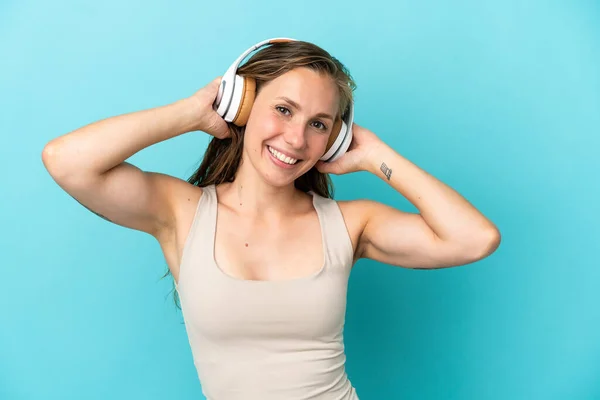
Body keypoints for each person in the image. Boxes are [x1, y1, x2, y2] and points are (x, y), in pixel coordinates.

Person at [41, 38, 501, 400]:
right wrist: (194, 112)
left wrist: (375, 154)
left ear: (334, 141)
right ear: (242, 106)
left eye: (319, 124)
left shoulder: (349, 225)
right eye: (283, 110)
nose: (296, 138)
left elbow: (474, 238)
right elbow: (66, 160)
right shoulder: (180, 213)